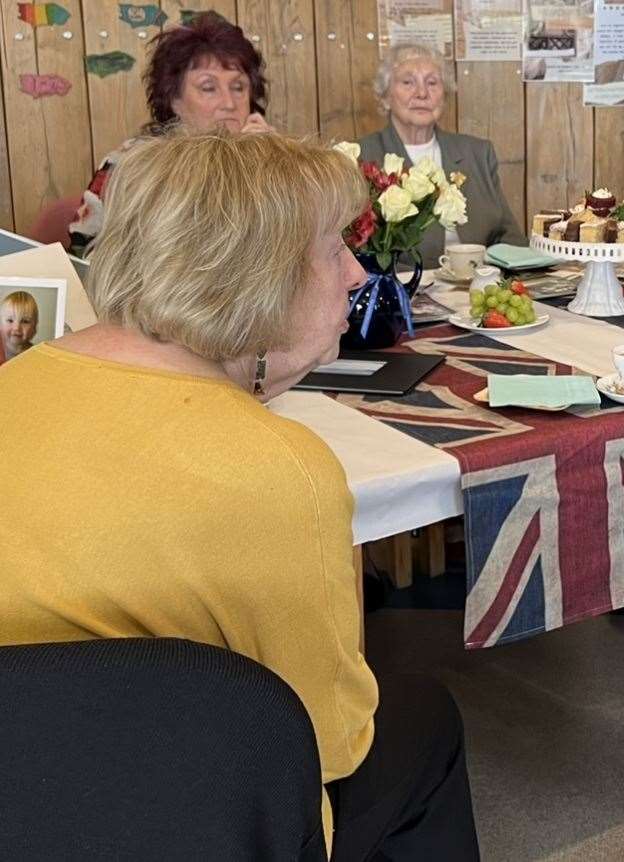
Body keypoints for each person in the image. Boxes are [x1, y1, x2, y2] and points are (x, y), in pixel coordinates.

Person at [0, 132, 480, 861]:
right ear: (258, 274)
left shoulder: (18, 380)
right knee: (423, 715)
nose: (356, 274)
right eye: (331, 249)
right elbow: (331, 740)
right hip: (180, 818)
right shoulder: (280, 468)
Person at [69, 12, 274, 253]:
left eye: (238, 87)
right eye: (209, 87)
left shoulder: (275, 160)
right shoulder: (128, 164)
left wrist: (266, 165)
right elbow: (83, 254)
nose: (228, 102)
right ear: (174, 99)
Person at [357, 43, 524, 268]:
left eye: (432, 83)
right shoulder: (362, 157)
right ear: (385, 97)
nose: (422, 93)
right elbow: (354, 251)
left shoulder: (477, 153)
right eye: (408, 82)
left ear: (443, 97)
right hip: (404, 291)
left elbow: (510, 239)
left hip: (479, 286)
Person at [1, 290, 38, 362]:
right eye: (10, 321)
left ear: (34, 327)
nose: (16, 328)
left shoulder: (35, 356)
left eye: (25, 321)